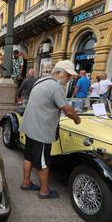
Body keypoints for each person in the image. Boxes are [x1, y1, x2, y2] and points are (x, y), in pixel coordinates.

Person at [19, 60, 81, 199]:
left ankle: (26, 182)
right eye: (68, 75)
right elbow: (68, 110)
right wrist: (77, 119)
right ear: (58, 73)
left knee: (28, 156)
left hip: (30, 126)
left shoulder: (40, 81)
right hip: (41, 130)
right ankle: (44, 191)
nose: (69, 79)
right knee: (43, 162)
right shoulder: (55, 87)